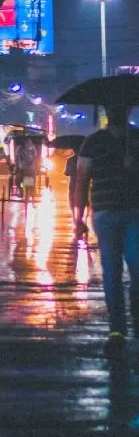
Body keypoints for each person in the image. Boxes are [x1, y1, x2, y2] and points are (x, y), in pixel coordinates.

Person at [75, 103, 139, 357]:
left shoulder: (136, 138)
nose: (117, 112)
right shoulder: (92, 142)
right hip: (104, 214)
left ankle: (135, 317)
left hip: (134, 213)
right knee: (111, 272)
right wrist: (78, 218)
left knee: (136, 268)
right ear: (107, 112)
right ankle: (117, 329)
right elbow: (82, 180)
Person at [64, 149, 78, 217]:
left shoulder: (69, 160)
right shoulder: (84, 159)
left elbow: (67, 173)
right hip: (82, 182)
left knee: (71, 198)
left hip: (73, 182)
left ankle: (73, 215)